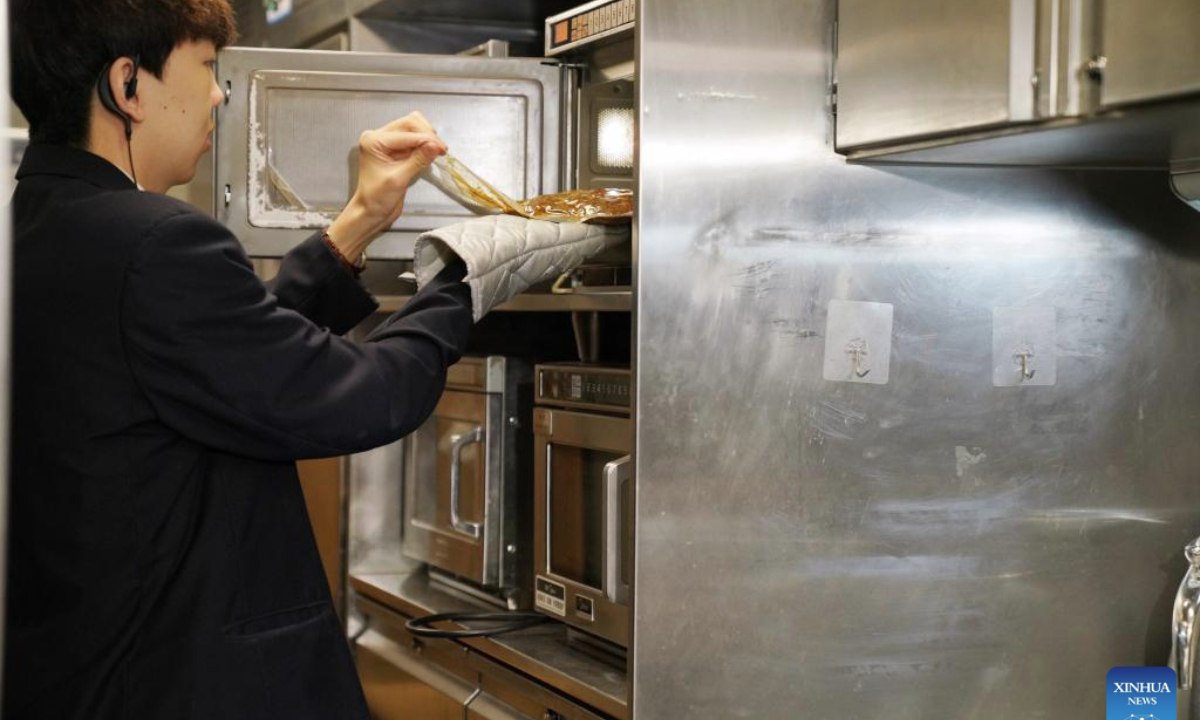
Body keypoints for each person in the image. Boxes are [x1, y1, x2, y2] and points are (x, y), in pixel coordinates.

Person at [5, 1, 482, 718]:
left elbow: (227, 365)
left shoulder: (41, 226)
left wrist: (353, 228)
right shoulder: (151, 241)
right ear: (127, 85)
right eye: (206, 67)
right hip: (174, 682)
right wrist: (470, 273)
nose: (221, 94)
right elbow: (359, 396)